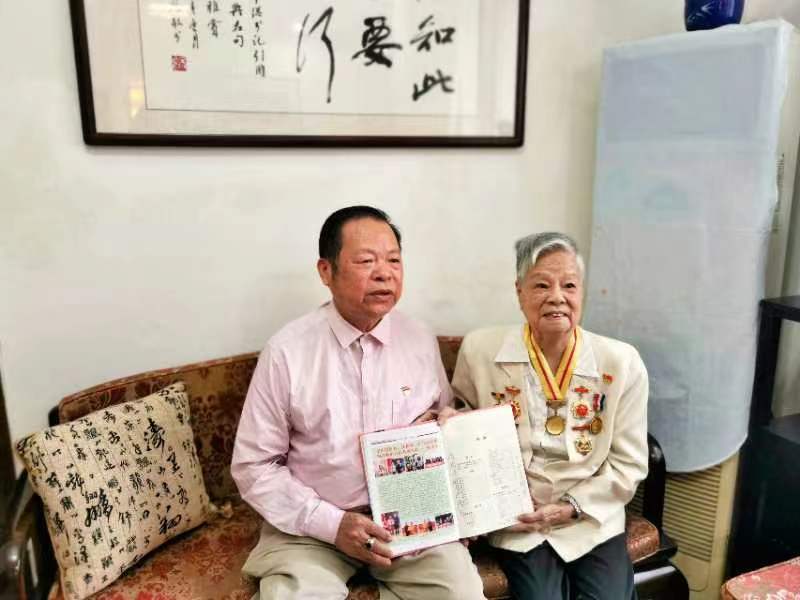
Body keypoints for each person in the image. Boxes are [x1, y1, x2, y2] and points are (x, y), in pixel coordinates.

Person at [232, 206, 485, 600]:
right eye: (366, 261)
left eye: (394, 261)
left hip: (411, 523)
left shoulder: (419, 339)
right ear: (326, 271)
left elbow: (442, 422)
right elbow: (254, 466)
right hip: (312, 532)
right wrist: (332, 524)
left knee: (461, 593)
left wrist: (453, 498)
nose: (384, 273)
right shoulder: (287, 351)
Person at [449, 232, 648, 599]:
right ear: (519, 292)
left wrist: (572, 507)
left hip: (591, 517)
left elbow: (629, 463)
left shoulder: (621, 363)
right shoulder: (480, 351)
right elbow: (463, 436)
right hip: (519, 520)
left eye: (569, 285)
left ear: (582, 292)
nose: (557, 297)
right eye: (541, 285)